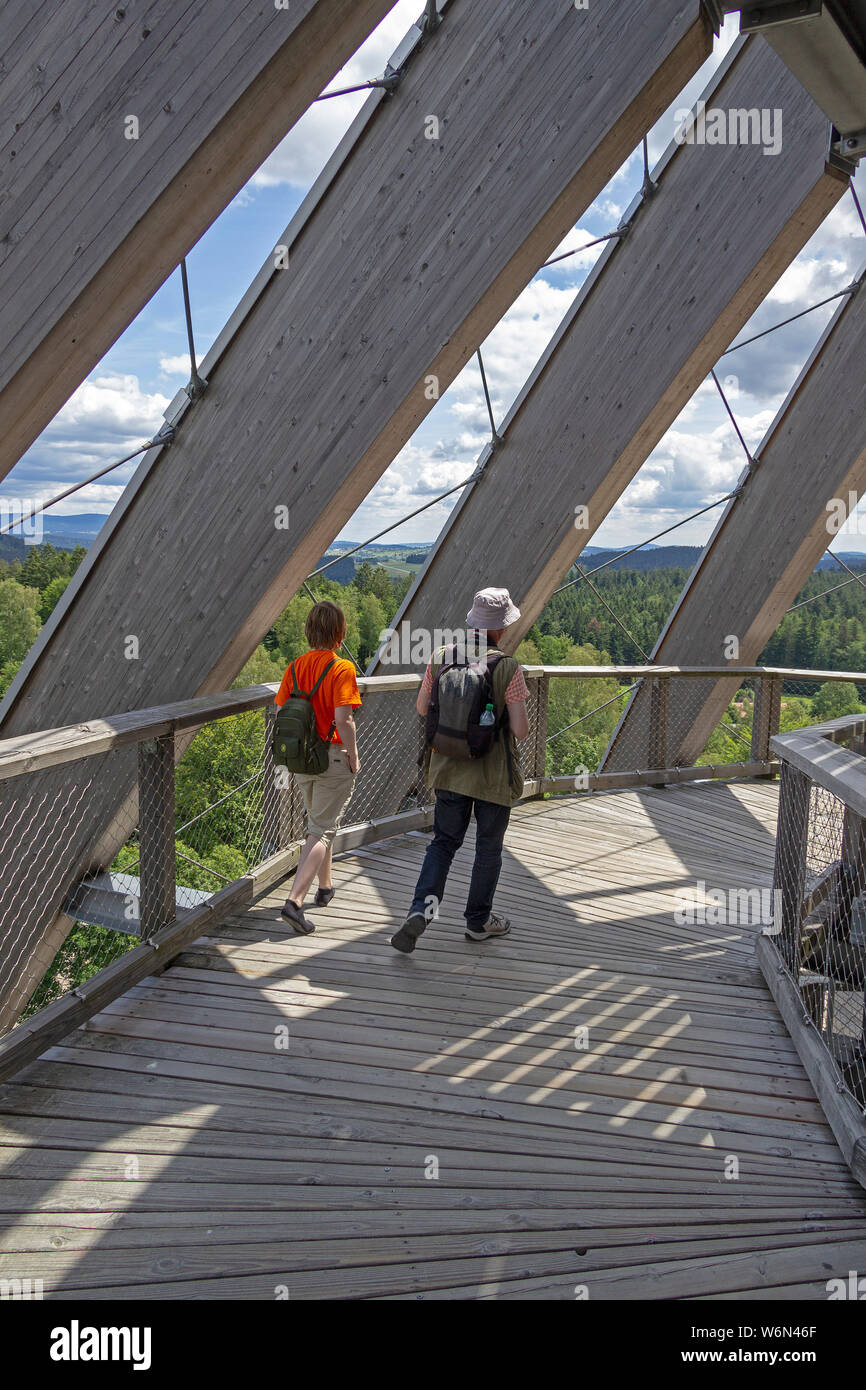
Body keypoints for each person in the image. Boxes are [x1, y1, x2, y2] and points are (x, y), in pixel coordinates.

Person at [391, 587, 530, 954]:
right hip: (492, 777)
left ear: (472, 622)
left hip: (448, 769)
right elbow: (520, 730)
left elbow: (423, 709)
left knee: (444, 843)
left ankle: (421, 909)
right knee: (488, 847)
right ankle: (478, 921)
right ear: (500, 629)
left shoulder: (441, 658)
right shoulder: (509, 667)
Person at [275, 601, 361, 935]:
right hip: (333, 755)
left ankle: (325, 886)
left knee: (319, 824)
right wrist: (353, 754)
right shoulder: (342, 670)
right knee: (321, 830)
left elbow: (282, 707)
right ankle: (294, 903)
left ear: (309, 632)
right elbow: (344, 718)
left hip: (302, 758)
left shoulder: (295, 667)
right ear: (339, 635)